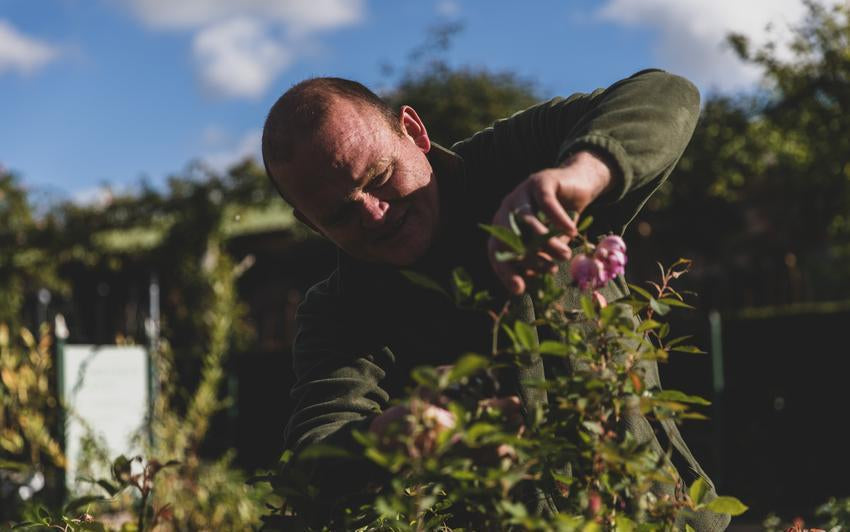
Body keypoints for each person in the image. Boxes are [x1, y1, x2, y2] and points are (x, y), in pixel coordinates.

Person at [261, 69, 729, 530]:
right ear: (311, 223)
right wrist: (392, 434)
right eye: (340, 214)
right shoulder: (340, 310)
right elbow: (311, 458)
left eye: (381, 176)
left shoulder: (515, 160)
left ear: (414, 132)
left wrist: (581, 177)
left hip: (661, 515)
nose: (375, 214)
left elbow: (667, 93)